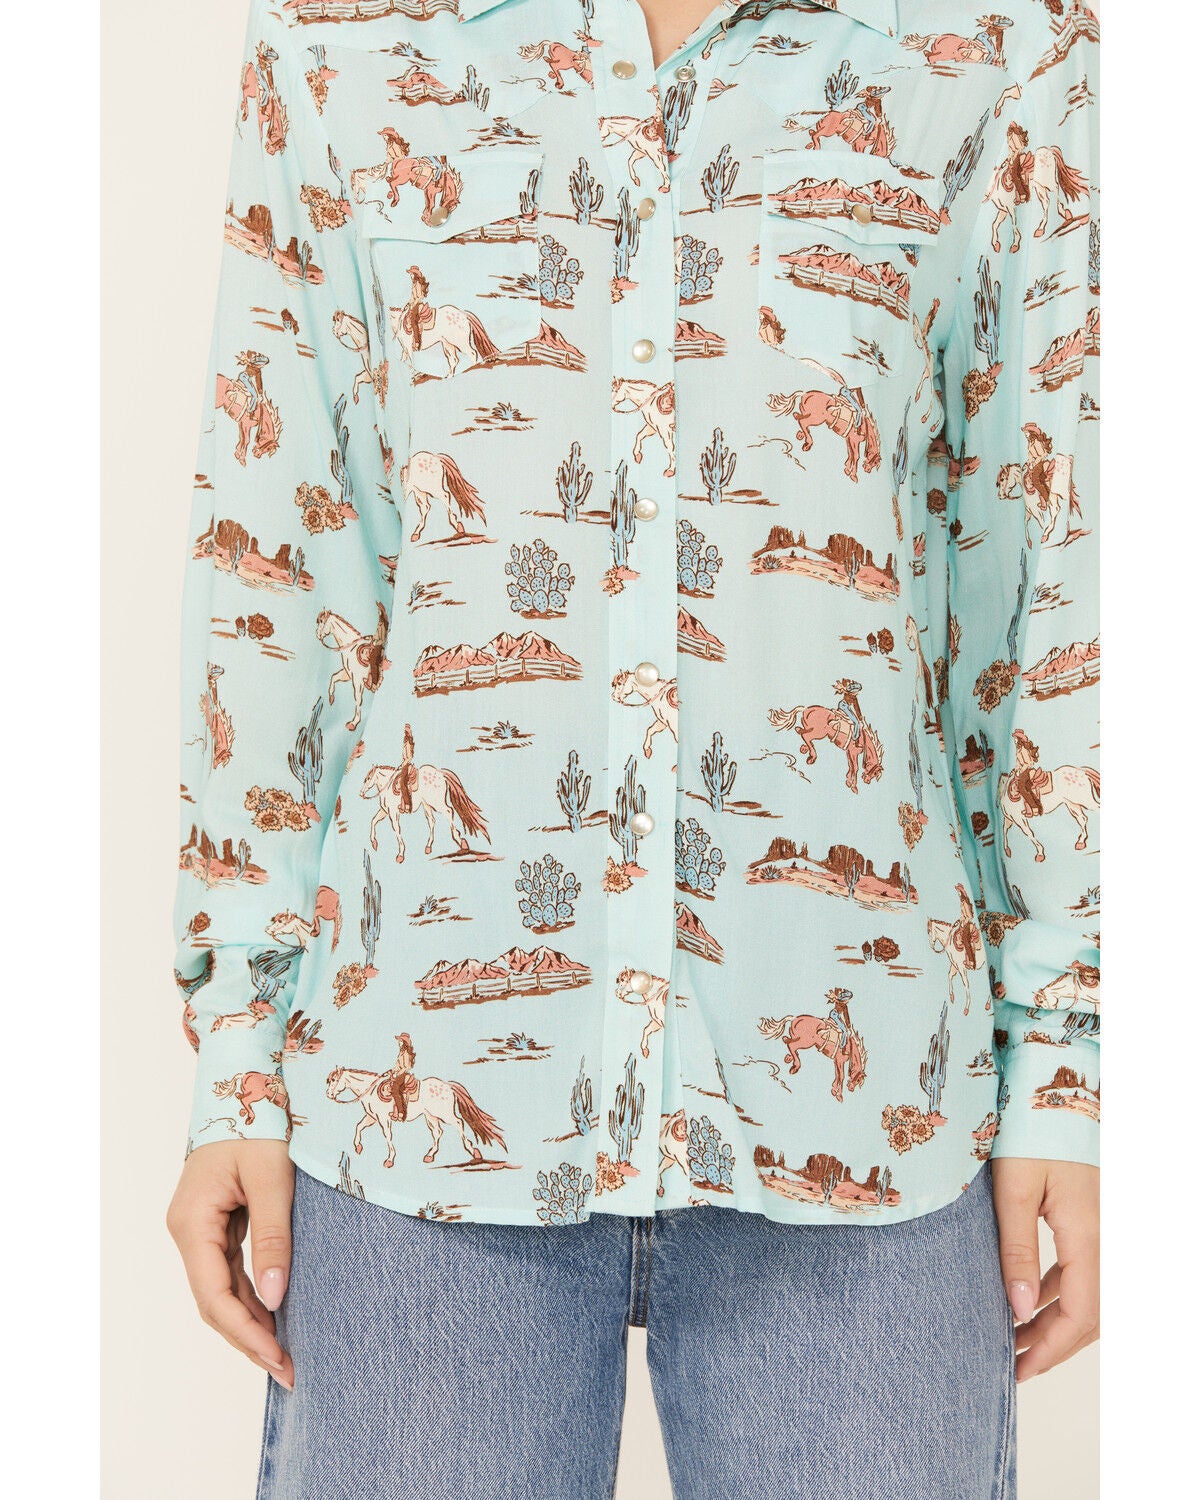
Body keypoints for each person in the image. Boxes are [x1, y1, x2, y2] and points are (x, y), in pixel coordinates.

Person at [166, 2, 1101, 1496]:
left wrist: (1068, 1066)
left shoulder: (996, 45)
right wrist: (237, 1065)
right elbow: (281, 577)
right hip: (421, 1129)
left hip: (871, 1125)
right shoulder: (342, 43)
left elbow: (1050, 580)